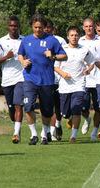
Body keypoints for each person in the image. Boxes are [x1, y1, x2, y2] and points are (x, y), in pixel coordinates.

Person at [18, 14, 67, 145]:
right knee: (28, 107)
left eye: (40, 27)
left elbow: (64, 56)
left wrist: (53, 56)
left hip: (47, 80)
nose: (38, 30)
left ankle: (44, 134)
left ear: (44, 27)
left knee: (46, 111)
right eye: (35, 27)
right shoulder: (26, 40)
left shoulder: (52, 40)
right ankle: (33, 135)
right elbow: (20, 54)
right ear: (31, 26)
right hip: (30, 78)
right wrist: (23, 61)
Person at [54, 26, 94, 143]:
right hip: (64, 85)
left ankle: (73, 136)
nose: (74, 37)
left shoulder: (84, 49)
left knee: (76, 109)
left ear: (79, 36)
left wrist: (88, 70)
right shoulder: (62, 49)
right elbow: (55, 66)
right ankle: (68, 117)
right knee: (65, 114)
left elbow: (91, 62)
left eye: (76, 35)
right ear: (68, 37)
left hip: (79, 84)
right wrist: (63, 74)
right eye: (72, 35)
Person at [0, 15, 24, 143]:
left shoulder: (25, 40)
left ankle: (16, 133)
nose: (13, 28)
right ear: (8, 27)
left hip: (21, 78)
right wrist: (6, 57)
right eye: (11, 25)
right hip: (7, 80)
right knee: (11, 109)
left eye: (15, 26)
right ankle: (16, 124)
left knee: (18, 105)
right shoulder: (1, 41)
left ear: (18, 27)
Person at [78, 18, 100, 141]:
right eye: (86, 26)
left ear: (94, 27)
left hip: (98, 79)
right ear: (83, 27)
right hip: (84, 80)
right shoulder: (80, 41)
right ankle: (87, 119)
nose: (89, 28)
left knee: (98, 108)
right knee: (83, 108)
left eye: (91, 26)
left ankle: (95, 132)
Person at [44, 19, 66, 141]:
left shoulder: (60, 40)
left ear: (53, 29)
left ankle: (57, 124)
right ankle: (51, 132)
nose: (47, 29)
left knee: (58, 107)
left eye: (49, 27)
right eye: (45, 27)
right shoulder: (39, 40)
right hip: (46, 78)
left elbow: (64, 56)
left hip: (59, 77)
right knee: (48, 105)